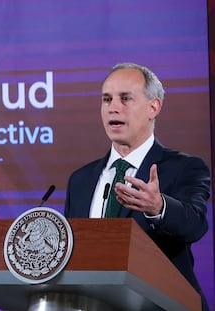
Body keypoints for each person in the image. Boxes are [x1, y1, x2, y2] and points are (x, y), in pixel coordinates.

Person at [64, 62, 211, 311]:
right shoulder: (80, 180)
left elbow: (195, 225)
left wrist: (159, 207)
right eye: (107, 99)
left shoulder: (185, 167)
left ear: (153, 107)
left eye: (125, 99)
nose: (113, 108)